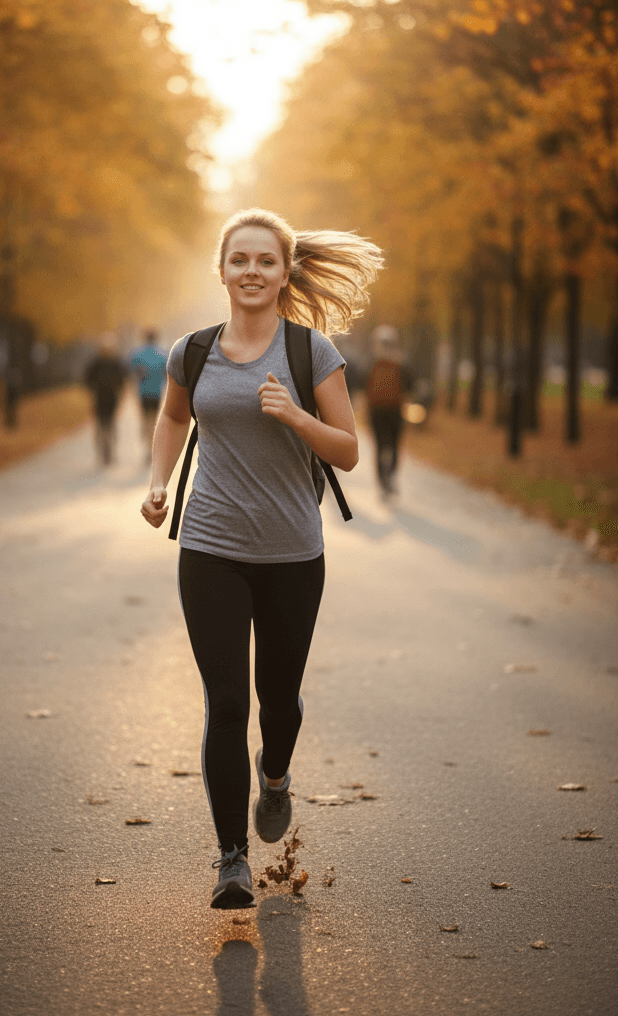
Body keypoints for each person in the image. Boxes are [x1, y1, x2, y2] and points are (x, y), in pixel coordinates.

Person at [140, 208, 382, 909]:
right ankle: (231, 861)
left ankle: (274, 775)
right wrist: (158, 482)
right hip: (210, 548)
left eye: (264, 261)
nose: (251, 271)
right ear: (222, 271)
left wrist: (298, 416)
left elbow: (349, 450)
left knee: (277, 702)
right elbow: (171, 417)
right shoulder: (192, 351)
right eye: (238, 260)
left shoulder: (311, 354)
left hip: (292, 555)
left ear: (284, 273)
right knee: (224, 702)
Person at [365, 325, 414, 498]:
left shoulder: (372, 364)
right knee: (393, 445)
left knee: (380, 446)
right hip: (394, 410)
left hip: (378, 411)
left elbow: (364, 388)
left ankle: (383, 482)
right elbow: (409, 387)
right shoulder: (401, 364)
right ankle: (390, 478)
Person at [83, 332, 126, 466]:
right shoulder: (96, 363)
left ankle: (109, 451)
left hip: (111, 399)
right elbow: (87, 381)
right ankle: (102, 452)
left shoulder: (116, 362)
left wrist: (121, 399)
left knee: (110, 426)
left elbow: (122, 382)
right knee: (101, 426)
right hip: (99, 399)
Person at [129, 329, 168, 460]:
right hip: (157, 392)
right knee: (155, 420)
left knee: (146, 420)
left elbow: (130, 369)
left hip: (143, 392)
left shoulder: (138, 353)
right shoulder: (162, 353)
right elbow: (167, 373)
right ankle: (152, 447)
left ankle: (147, 447)